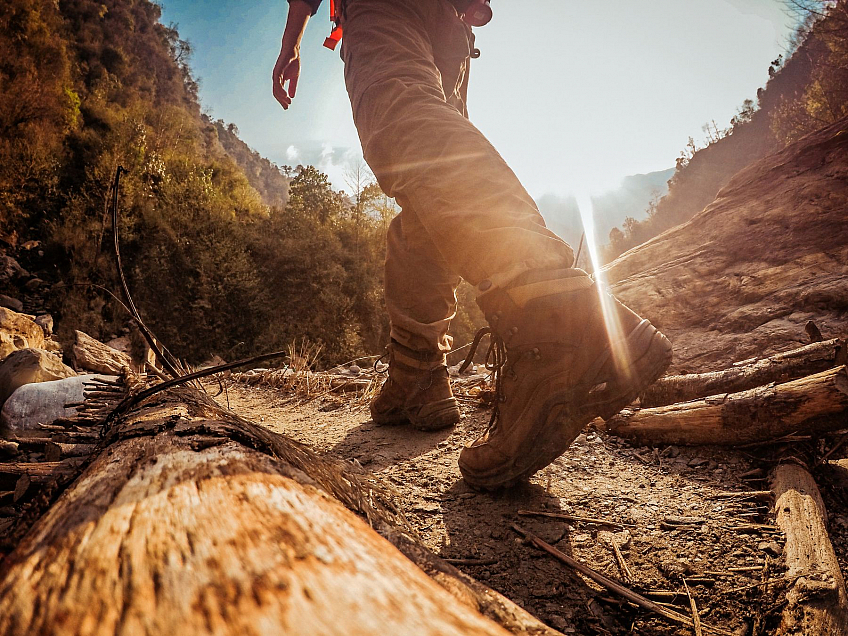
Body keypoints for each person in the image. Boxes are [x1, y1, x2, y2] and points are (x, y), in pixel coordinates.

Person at [273, 0, 672, 490]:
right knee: (428, 201)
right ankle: (415, 370)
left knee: (401, 121)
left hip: (388, 10)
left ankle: (557, 319)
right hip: (449, 27)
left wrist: (291, 41)